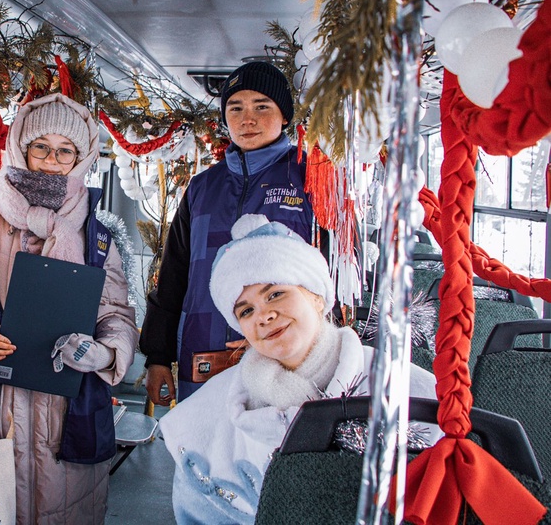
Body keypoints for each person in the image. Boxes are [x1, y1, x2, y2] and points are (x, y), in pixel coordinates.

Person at [158, 214, 437, 524]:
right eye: (246, 310)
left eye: (276, 294)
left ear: (317, 297)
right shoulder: (204, 414)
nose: (263, 316)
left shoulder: (406, 388)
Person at [0, 92, 138, 524]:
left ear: (81, 156)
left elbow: (115, 311)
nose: (52, 160)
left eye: (64, 150)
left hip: (70, 406)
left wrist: (106, 352)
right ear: (21, 146)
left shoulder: (96, 228)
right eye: (41, 147)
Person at [140, 60, 315, 403]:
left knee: (272, 451)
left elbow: (331, 276)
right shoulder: (202, 188)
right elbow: (175, 272)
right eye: (236, 108)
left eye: (261, 106)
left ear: (284, 116)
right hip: (202, 349)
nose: (247, 119)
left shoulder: (310, 177)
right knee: (200, 451)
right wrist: (158, 356)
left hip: (285, 353)